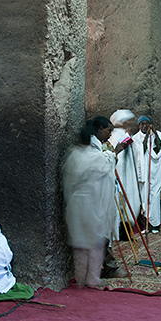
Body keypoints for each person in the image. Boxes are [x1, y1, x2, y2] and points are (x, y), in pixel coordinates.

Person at [61, 117, 120, 287]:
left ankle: (80, 278)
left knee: (80, 245)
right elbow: (108, 168)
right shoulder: (97, 157)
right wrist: (114, 153)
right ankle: (93, 279)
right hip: (92, 204)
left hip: (75, 204)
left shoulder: (73, 156)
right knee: (95, 244)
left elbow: (68, 183)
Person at [131, 115, 161, 233]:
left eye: (147, 123)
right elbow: (139, 152)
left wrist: (155, 135)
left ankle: (155, 225)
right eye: (142, 124)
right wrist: (146, 138)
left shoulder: (158, 135)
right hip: (144, 173)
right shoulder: (136, 138)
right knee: (144, 197)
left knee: (155, 197)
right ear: (139, 126)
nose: (145, 126)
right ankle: (145, 225)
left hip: (156, 172)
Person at [109, 109, 142, 235]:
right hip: (122, 177)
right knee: (122, 203)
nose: (130, 123)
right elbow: (119, 158)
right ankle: (121, 231)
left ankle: (126, 230)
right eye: (128, 121)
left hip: (129, 176)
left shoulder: (126, 135)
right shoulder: (117, 136)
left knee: (130, 203)